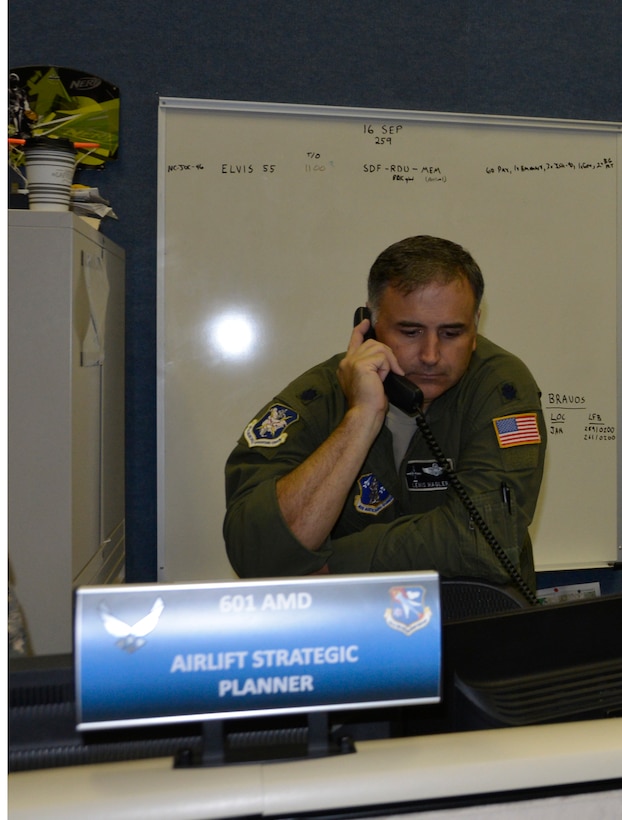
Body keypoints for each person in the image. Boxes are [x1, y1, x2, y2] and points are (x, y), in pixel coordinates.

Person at [224, 235, 546, 590]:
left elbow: (483, 537)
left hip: (474, 621)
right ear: (370, 324)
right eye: (410, 331)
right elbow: (257, 555)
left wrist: (331, 569)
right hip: (348, 635)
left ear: (475, 327)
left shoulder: (500, 386)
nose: (431, 354)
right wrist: (361, 417)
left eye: (452, 332)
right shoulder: (319, 397)